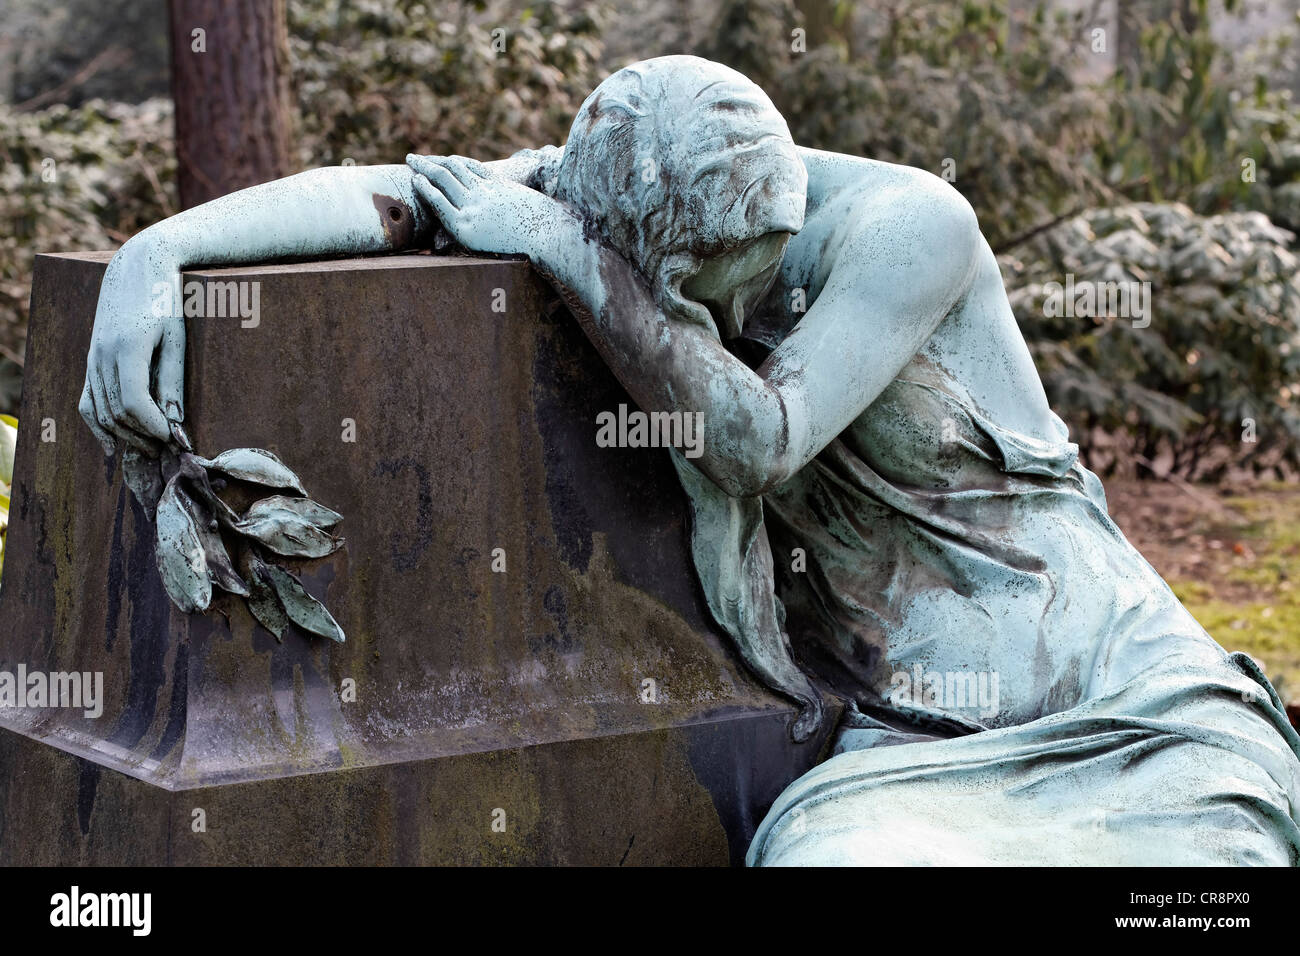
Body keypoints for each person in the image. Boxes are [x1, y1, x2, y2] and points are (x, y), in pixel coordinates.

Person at [82, 55, 1300, 865]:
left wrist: (578, 261)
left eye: (745, 278)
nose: (720, 309)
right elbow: (398, 196)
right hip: (915, 731)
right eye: (683, 289)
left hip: (1110, 682)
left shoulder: (905, 228)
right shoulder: (609, 198)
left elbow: (760, 438)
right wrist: (156, 255)